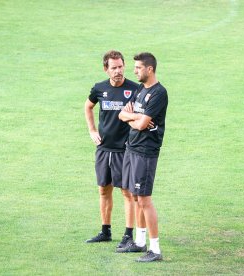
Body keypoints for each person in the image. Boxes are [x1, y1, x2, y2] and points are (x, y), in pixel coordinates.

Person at [84, 50, 146, 253]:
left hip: (125, 150)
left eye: (121, 66)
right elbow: (88, 107)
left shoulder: (135, 90)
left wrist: (129, 116)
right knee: (103, 189)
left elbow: (142, 118)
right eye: (114, 68)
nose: (118, 71)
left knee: (127, 193)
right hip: (103, 149)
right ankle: (105, 231)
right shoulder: (99, 88)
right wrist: (92, 130)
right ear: (106, 69)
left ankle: (128, 235)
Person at [118, 52, 168, 262]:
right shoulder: (140, 89)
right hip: (132, 148)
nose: (135, 71)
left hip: (146, 152)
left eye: (138, 68)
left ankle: (155, 249)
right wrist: (136, 117)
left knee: (144, 199)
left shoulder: (158, 93)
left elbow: (140, 124)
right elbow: (123, 114)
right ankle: (139, 242)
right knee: (135, 196)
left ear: (150, 69)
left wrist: (134, 118)